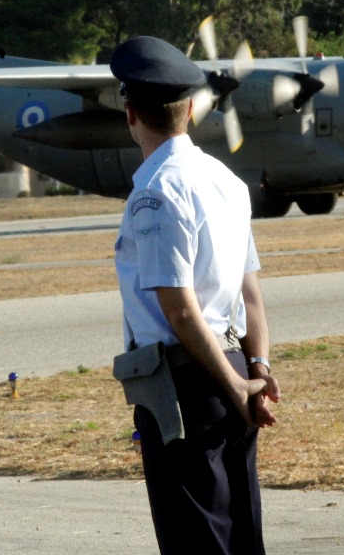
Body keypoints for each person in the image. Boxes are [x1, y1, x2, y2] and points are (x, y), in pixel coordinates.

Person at [110, 35, 280, 554]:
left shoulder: (156, 191)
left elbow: (180, 309)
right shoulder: (224, 179)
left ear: (131, 113)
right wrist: (258, 369)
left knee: (196, 536)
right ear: (188, 111)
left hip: (188, 379)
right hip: (230, 362)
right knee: (241, 529)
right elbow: (250, 291)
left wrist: (233, 384)